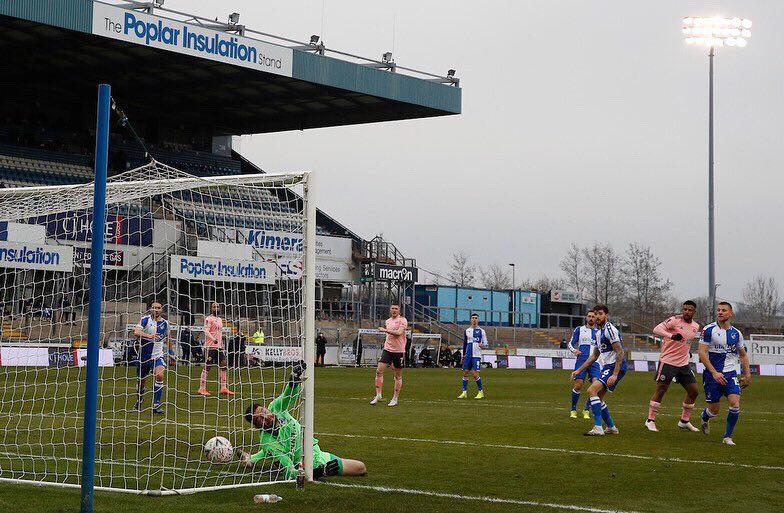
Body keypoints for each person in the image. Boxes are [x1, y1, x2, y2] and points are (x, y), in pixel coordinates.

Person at [240, 362, 366, 479]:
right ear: (258, 426)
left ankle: (251, 459)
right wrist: (316, 472)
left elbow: (287, 396)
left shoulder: (275, 407)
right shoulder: (269, 443)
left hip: (313, 448)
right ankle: (252, 459)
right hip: (308, 461)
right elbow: (289, 472)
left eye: (264, 411)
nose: (266, 416)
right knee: (360, 468)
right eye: (260, 419)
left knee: (362, 467)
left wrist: (293, 380)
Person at [697, 302, 751, 445]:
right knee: (714, 410)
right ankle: (705, 416)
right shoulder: (709, 330)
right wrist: (714, 373)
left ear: (731, 313)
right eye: (718, 310)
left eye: (724, 310)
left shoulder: (736, 333)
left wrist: (747, 375)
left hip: (730, 373)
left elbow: (743, 355)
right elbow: (702, 353)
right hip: (712, 375)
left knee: (734, 404)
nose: (720, 312)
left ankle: (727, 437)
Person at [645, 300, 702, 432]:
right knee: (661, 389)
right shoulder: (674, 320)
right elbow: (656, 329)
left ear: (694, 312)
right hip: (668, 361)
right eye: (685, 309)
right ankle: (650, 420)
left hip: (683, 364)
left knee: (694, 391)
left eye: (689, 310)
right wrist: (671, 335)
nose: (686, 312)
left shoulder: (696, 326)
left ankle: (684, 421)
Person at [571, 304, 627, 436]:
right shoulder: (598, 332)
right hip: (608, 366)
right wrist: (578, 370)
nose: (597, 316)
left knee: (591, 390)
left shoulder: (609, 330)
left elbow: (620, 352)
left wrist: (614, 374)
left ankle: (597, 427)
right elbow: (594, 356)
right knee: (599, 398)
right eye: (595, 314)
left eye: (600, 313)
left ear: (606, 316)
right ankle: (611, 427)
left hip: (614, 366)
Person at [132, 300, 172, 414]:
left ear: (161, 309)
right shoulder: (145, 320)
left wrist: (171, 352)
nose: (156, 309)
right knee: (141, 382)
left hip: (157, 356)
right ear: (150, 309)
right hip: (143, 357)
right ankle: (139, 400)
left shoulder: (165, 323)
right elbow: (136, 332)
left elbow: (169, 337)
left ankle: (156, 405)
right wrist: (149, 335)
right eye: (154, 307)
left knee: (159, 376)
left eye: (158, 308)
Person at [370, 304, 408, 407]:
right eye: (392, 308)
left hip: (399, 351)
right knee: (379, 371)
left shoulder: (402, 320)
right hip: (387, 349)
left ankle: (395, 398)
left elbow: (399, 333)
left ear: (399, 310)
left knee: (398, 375)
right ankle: (378, 395)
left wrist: (385, 330)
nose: (394, 310)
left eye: (396, 308)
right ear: (390, 310)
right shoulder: (388, 321)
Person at [568, 311, 600, 419]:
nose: (591, 318)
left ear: (596, 319)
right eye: (589, 316)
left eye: (593, 317)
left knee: (596, 386)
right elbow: (570, 343)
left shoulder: (599, 332)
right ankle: (573, 409)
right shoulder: (579, 329)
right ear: (586, 318)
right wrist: (574, 350)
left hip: (595, 362)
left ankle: (586, 409)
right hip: (581, 360)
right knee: (578, 385)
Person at [198, 302, 234, 396]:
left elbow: (219, 332)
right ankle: (201, 388)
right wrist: (213, 339)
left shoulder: (220, 319)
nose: (216, 308)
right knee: (208, 366)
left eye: (217, 307)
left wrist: (221, 343)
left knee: (223, 365)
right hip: (210, 346)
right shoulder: (208, 319)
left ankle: (223, 388)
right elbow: (206, 331)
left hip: (219, 346)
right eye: (214, 307)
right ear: (211, 309)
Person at [458, 313, 488, 399]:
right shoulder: (467, 331)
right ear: (470, 320)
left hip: (476, 355)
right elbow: (464, 344)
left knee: (475, 374)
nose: (474, 319)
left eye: (476, 318)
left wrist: (483, 345)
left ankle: (480, 392)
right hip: (468, 355)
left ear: (478, 320)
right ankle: (464, 392)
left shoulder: (482, 331)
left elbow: (486, 343)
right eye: (473, 318)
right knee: (465, 372)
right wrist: (463, 356)